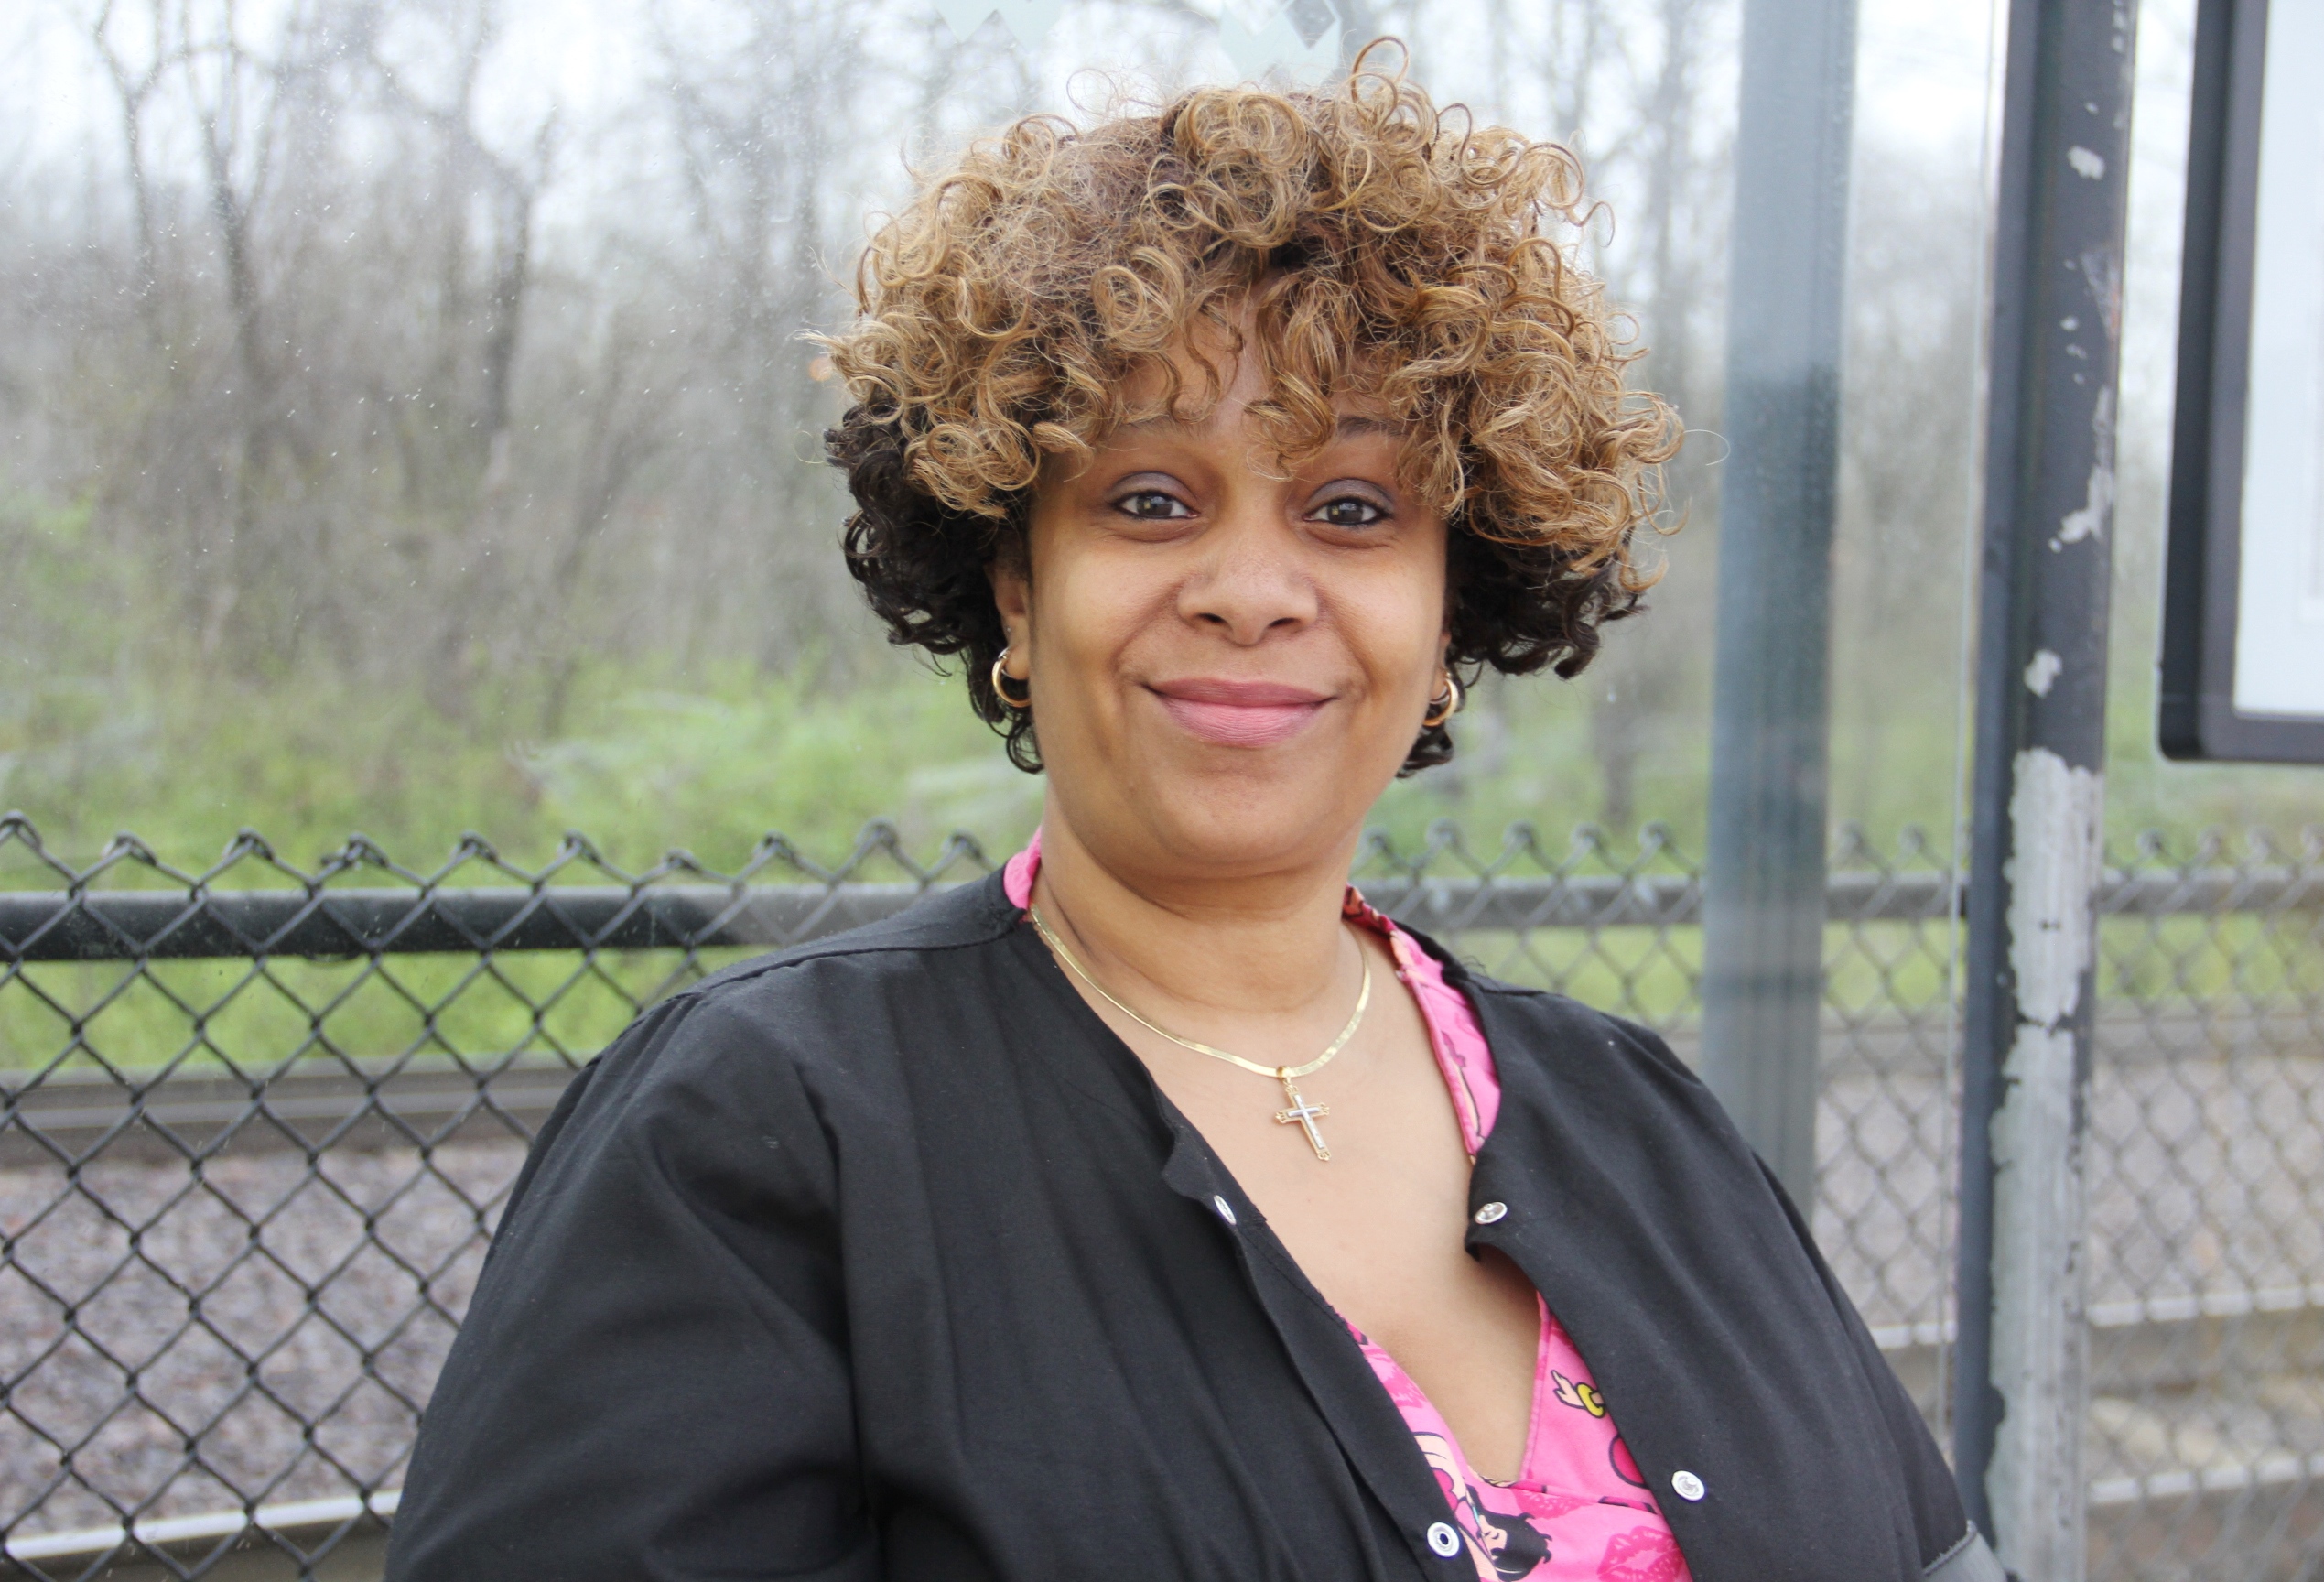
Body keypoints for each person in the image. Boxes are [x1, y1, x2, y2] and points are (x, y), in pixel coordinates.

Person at [385, 57, 2003, 1582]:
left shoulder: (1645, 1125)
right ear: (1018, 589)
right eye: (1149, 500)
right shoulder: (762, 1130)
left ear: (1451, 605)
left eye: (1352, 509)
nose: (1249, 590)